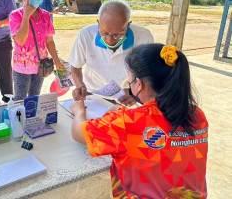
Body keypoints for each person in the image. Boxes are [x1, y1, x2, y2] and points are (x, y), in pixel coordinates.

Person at [70, 43, 208, 198]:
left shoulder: (128, 122)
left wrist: (79, 111)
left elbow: (78, 133)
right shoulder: (197, 114)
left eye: (130, 80)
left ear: (139, 85)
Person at [68, 0, 154, 105]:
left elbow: (148, 72)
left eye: (117, 35)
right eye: (105, 33)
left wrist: (134, 94)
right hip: (93, 94)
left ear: (128, 25)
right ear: (98, 24)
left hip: (126, 97)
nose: (110, 40)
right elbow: (75, 65)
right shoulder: (86, 35)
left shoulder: (144, 37)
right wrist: (80, 85)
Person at [9, 0, 64, 101]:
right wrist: (26, 16)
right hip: (22, 67)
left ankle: (32, 120)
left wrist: (57, 61)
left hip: (41, 66)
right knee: (20, 99)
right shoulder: (15, 15)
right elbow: (20, 41)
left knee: (34, 98)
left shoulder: (45, 15)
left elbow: (49, 41)